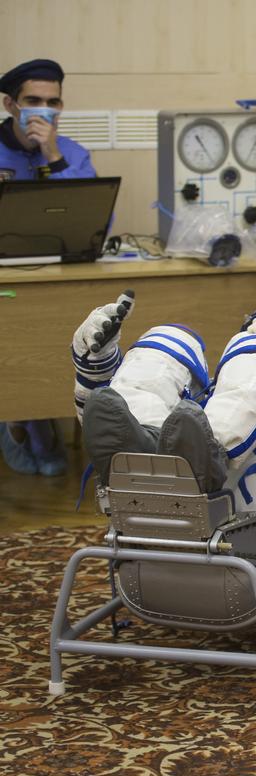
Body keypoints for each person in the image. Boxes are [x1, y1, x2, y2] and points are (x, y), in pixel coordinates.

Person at [71, 295, 256, 508]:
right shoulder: (217, 399)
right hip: (160, 486)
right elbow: (105, 425)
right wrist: (96, 362)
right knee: (170, 339)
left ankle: (205, 458)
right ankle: (134, 460)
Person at [1, 58, 97, 478]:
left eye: (52, 102)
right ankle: (18, 418)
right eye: (33, 101)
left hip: (60, 279)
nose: (44, 110)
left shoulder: (71, 153)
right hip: (4, 281)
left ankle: (38, 418)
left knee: (68, 331)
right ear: (10, 104)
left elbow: (97, 223)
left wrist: (53, 157)